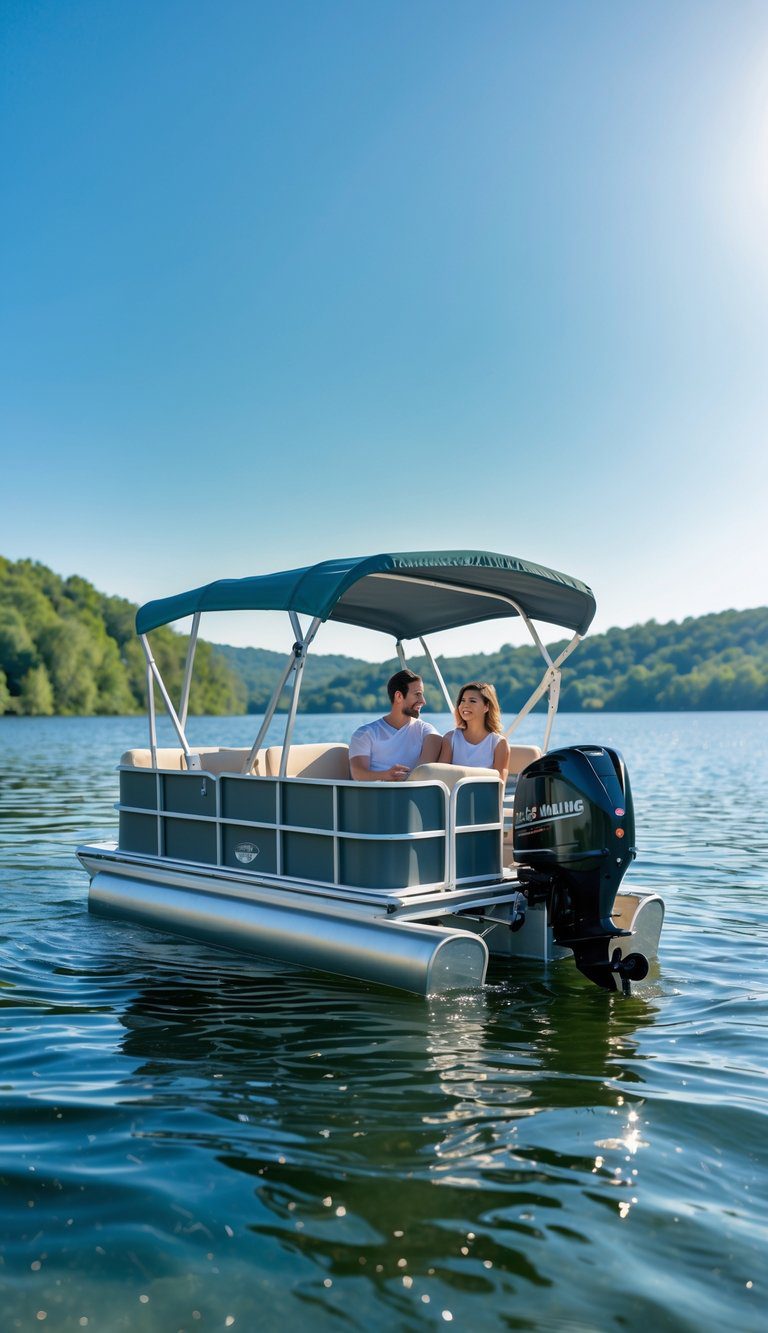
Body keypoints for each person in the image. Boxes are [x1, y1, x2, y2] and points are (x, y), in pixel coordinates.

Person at [349, 669, 442, 781]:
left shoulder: (426, 731)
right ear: (398, 696)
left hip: (411, 791)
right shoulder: (365, 734)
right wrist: (386, 775)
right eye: (418, 694)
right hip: (375, 791)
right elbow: (358, 774)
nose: (423, 701)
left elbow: (422, 775)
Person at [438, 681, 510, 782]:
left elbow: (499, 784)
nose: (465, 705)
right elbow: (440, 777)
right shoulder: (450, 738)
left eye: (472, 701)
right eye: (462, 701)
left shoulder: (499, 743)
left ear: (486, 707)